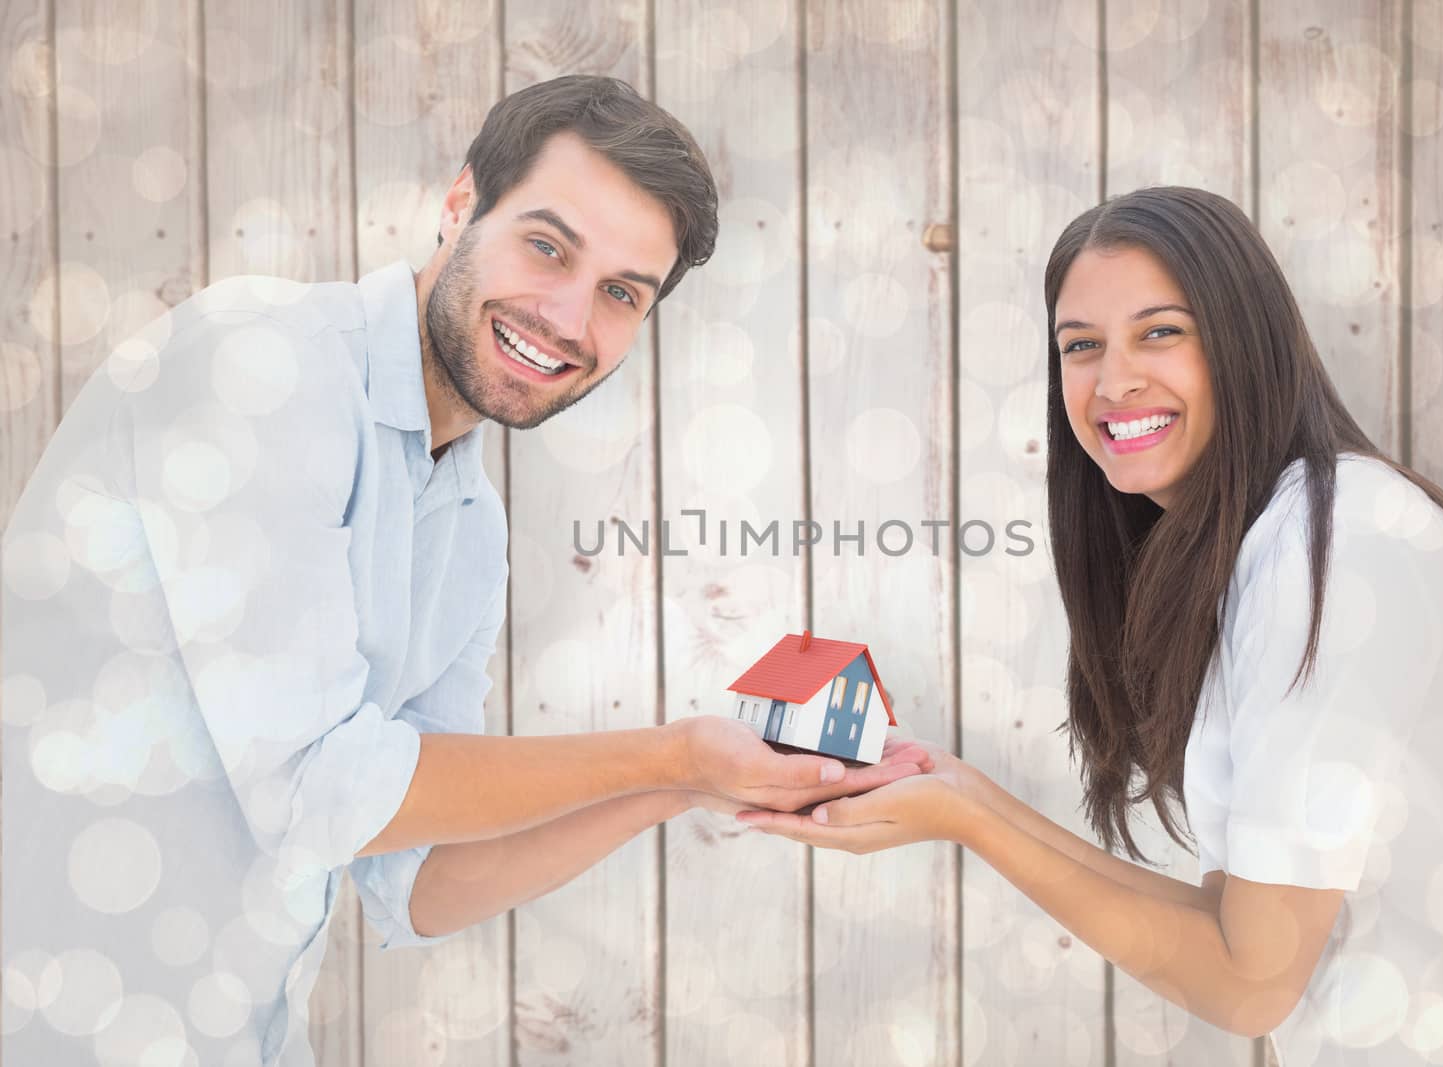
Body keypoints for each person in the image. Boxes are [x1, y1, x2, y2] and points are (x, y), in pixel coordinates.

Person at [0, 75, 925, 1066]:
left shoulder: (468, 524)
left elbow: (418, 879)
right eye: (546, 245)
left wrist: (691, 787)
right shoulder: (261, 361)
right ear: (458, 206)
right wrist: (673, 753)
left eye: (620, 292)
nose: (570, 316)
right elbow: (320, 787)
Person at [740, 186, 1443, 1065]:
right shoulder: (1285, 542)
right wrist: (959, 795)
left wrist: (972, 823)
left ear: (1245, 340)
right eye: (1082, 347)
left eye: (1161, 331)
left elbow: (1249, 983)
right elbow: (1234, 934)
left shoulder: (1337, 544)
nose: (1114, 381)